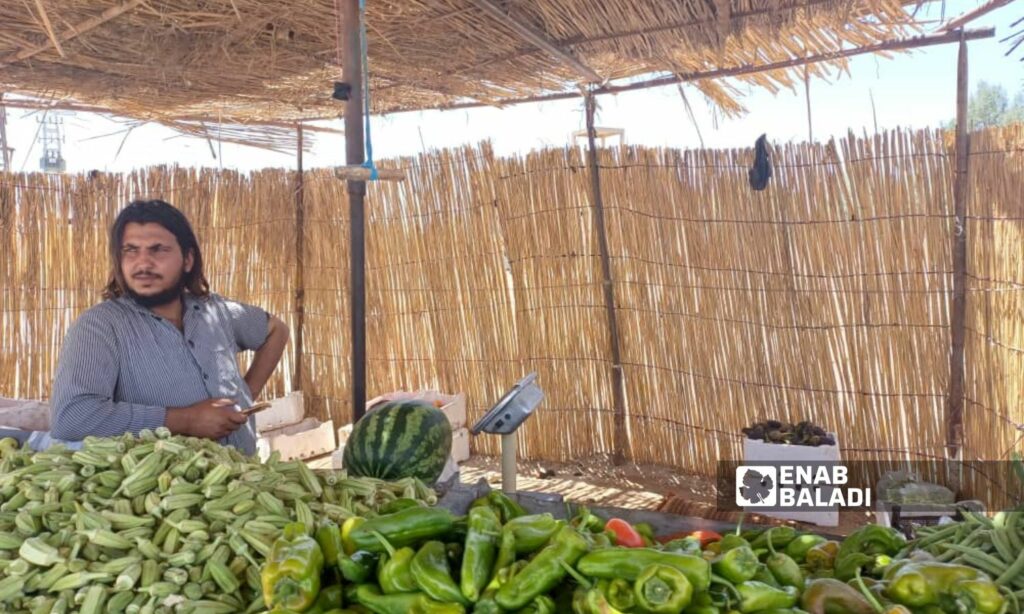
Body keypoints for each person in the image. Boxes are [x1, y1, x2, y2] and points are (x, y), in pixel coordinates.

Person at [49, 199, 289, 455]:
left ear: (187, 259)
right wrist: (185, 420)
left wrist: (246, 394)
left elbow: (276, 330)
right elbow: (72, 418)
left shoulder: (215, 311)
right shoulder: (100, 327)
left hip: (243, 480)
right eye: (130, 250)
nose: (143, 264)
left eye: (158, 249)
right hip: (165, 490)